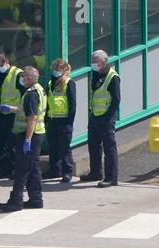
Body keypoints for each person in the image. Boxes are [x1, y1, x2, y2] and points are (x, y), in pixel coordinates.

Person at [0, 66, 47, 212]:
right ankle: (36, 199)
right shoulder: (38, 89)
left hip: (29, 135)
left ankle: (16, 201)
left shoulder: (31, 94)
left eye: (24, 76)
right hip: (37, 134)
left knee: (22, 169)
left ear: (30, 78)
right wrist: (10, 109)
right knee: (33, 168)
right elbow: (27, 110)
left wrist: (27, 139)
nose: (21, 79)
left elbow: (32, 117)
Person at [80, 50, 121, 188]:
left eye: (95, 61)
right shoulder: (96, 74)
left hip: (106, 118)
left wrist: (107, 118)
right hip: (95, 116)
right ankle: (95, 172)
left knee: (109, 148)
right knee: (93, 145)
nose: (92, 64)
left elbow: (116, 100)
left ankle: (111, 177)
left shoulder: (112, 77)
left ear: (103, 62)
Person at [0, 52, 24, 180]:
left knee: (13, 144)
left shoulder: (17, 74)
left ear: (6, 62)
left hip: (12, 114)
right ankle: (0, 169)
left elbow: (24, 92)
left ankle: (14, 169)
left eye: (0, 66)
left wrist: (16, 108)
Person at [43, 59, 77, 183]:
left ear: (63, 70)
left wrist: (70, 123)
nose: (55, 71)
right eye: (54, 68)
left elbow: (73, 105)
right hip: (52, 120)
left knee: (65, 148)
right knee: (53, 147)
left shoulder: (69, 83)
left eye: (58, 69)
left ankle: (67, 172)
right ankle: (54, 170)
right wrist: (45, 119)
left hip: (64, 120)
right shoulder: (51, 83)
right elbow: (47, 102)